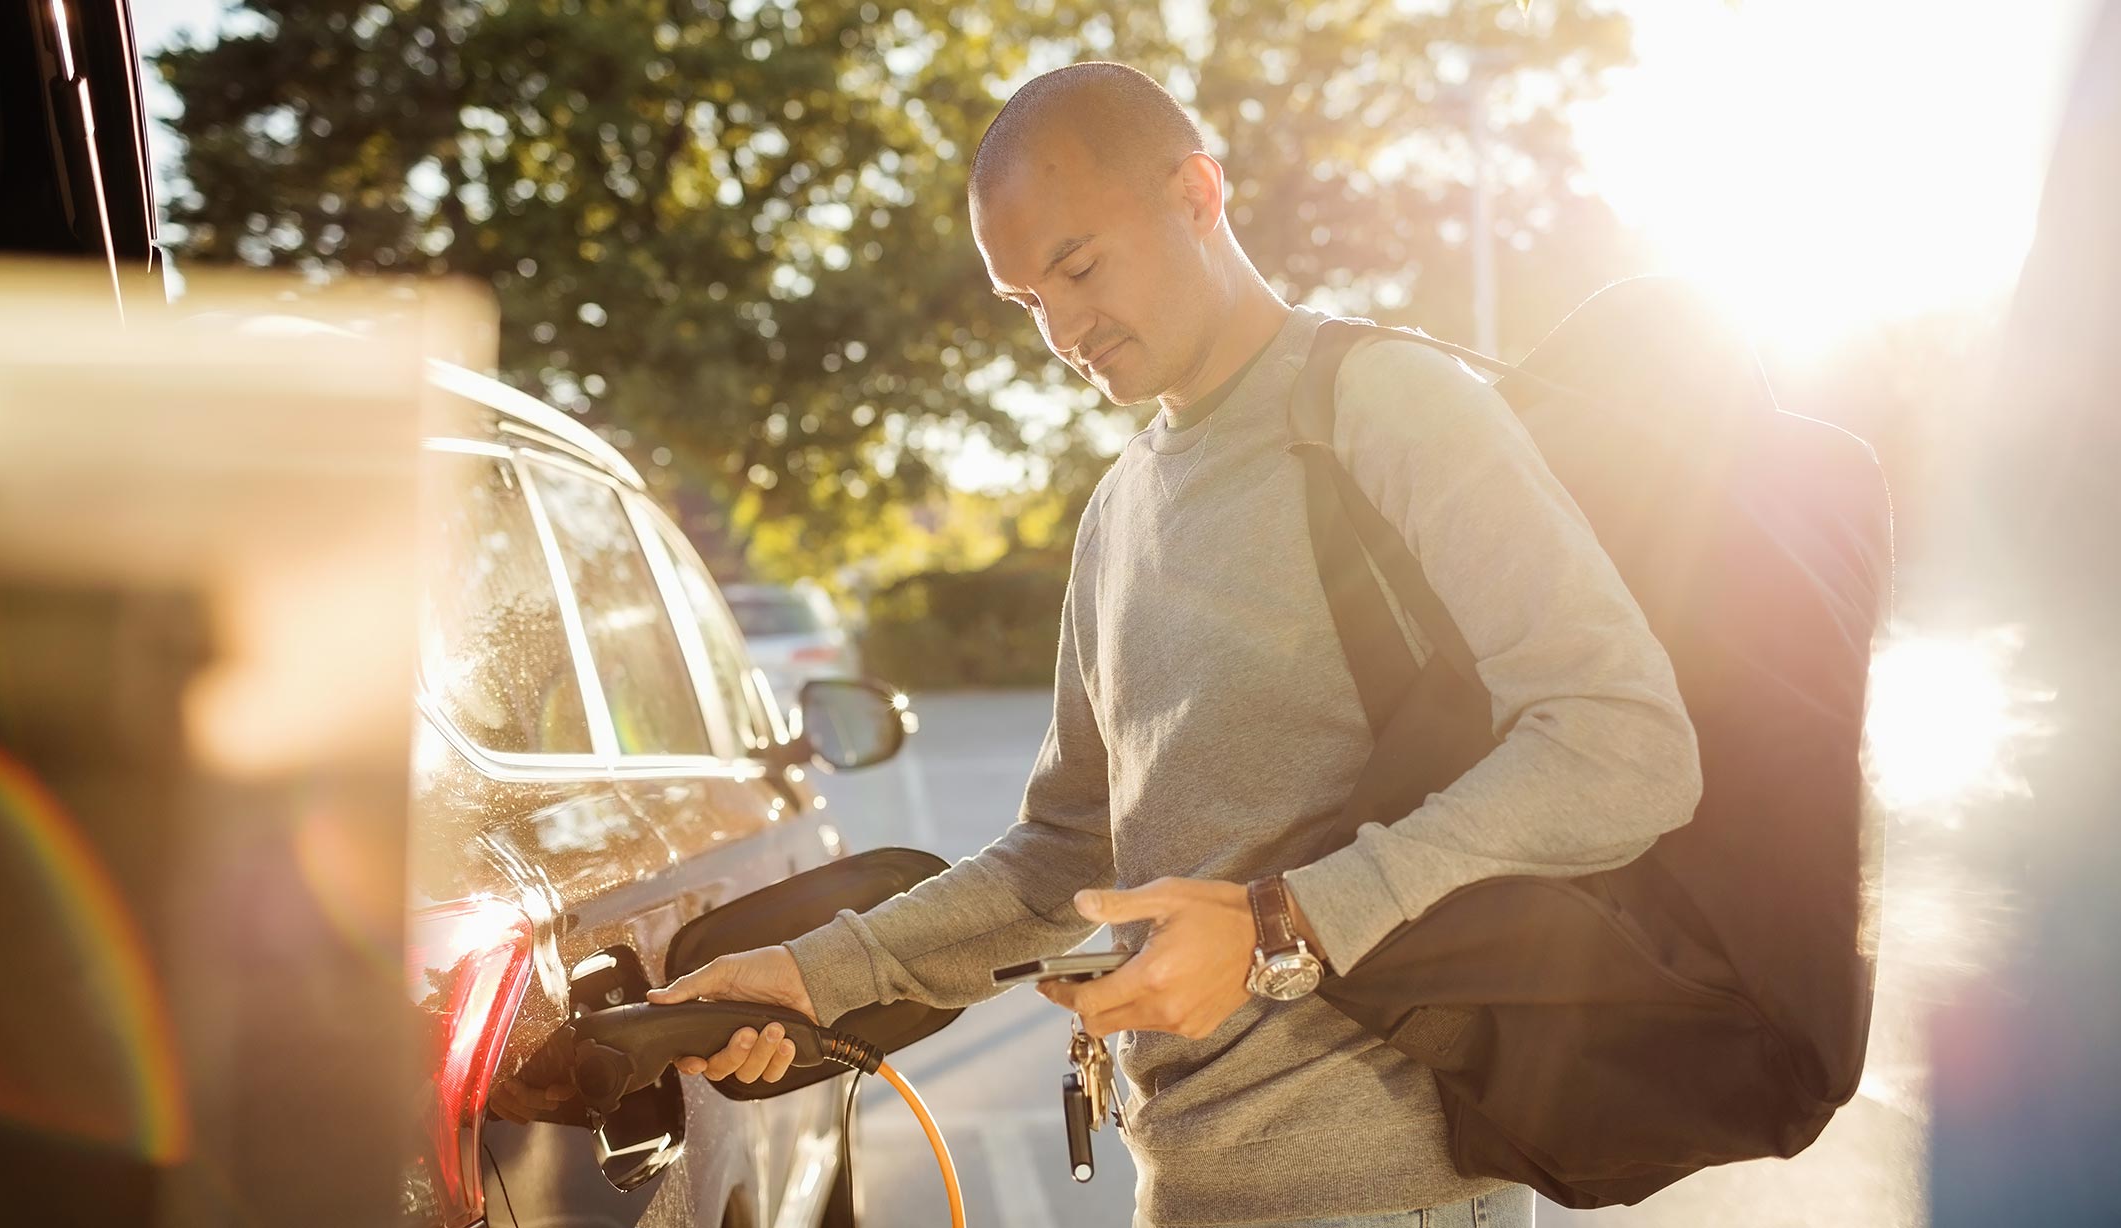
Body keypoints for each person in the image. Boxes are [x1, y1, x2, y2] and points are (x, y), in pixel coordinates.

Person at [651, 62, 1702, 1228]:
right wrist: (811, 975)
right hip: (1188, 1187)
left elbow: (1625, 743)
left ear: (1198, 195)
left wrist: (1281, 923)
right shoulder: (1118, 510)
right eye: (1026, 301)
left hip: (1383, 1192)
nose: (1062, 327)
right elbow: (1065, 855)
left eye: (1079, 266)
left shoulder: (1387, 404)